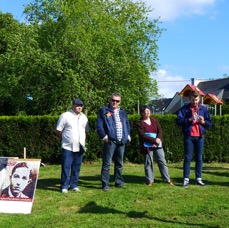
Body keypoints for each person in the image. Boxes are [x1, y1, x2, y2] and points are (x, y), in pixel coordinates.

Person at [176, 90, 212, 188]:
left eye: (196, 100)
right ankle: (186, 179)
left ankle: (198, 179)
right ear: (190, 99)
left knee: (199, 158)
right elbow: (178, 121)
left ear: (199, 99)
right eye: (193, 100)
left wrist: (203, 122)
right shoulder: (184, 109)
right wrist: (189, 119)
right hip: (189, 137)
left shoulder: (203, 109)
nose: (195, 102)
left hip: (200, 137)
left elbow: (209, 123)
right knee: (187, 158)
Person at [96, 92, 131, 192]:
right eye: (113, 100)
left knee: (119, 163)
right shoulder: (104, 111)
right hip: (110, 141)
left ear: (120, 102)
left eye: (117, 101)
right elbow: (99, 125)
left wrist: (127, 134)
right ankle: (105, 184)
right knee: (107, 164)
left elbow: (127, 124)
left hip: (121, 141)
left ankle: (119, 182)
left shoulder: (123, 111)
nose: (115, 102)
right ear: (109, 100)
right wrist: (104, 137)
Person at [56, 98, 89, 193]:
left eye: (81, 106)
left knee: (77, 167)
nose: (79, 107)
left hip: (80, 146)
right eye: (77, 105)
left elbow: (86, 130)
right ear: (73, 105)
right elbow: (58, 130)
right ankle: (64, 186)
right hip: (68, 146)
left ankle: (74, 185)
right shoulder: (65, 116)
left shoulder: (84, 117)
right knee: (66, 166)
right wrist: (65, 139)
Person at [136, 105, 174, 186]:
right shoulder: (140, 123)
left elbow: (160, 130)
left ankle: (167, 179)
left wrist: (157, 141)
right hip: (147, 145)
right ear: (142, 113)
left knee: (162, 161)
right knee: (148, 163)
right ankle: (150, 180)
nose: (147, 112)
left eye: (148, 110)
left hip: (158, 144)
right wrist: (153, 140)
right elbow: (142, 135)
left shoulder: (154, 120)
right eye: (144, 111)